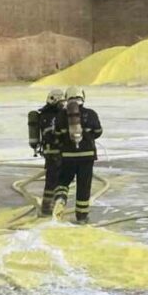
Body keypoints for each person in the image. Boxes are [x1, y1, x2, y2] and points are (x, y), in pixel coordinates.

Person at [52, 86, 103, 224]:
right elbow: (98, 131)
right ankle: (81, 217)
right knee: (83, 186)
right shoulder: (91, 114)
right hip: (87, 156)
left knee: (63, 180)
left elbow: (56, 135)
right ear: (82, 97)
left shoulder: (61, 115)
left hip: (68, 156)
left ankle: (61, 199)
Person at [32, 89, 66, 217]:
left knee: (52, 180)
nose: (63, 105)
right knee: (54, 180)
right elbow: (52, 134)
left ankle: (48, 206)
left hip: (50, 152)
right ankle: (48, 208)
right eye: (61, 102)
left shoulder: (46, 114)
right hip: (55, 152)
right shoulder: (51, 116)